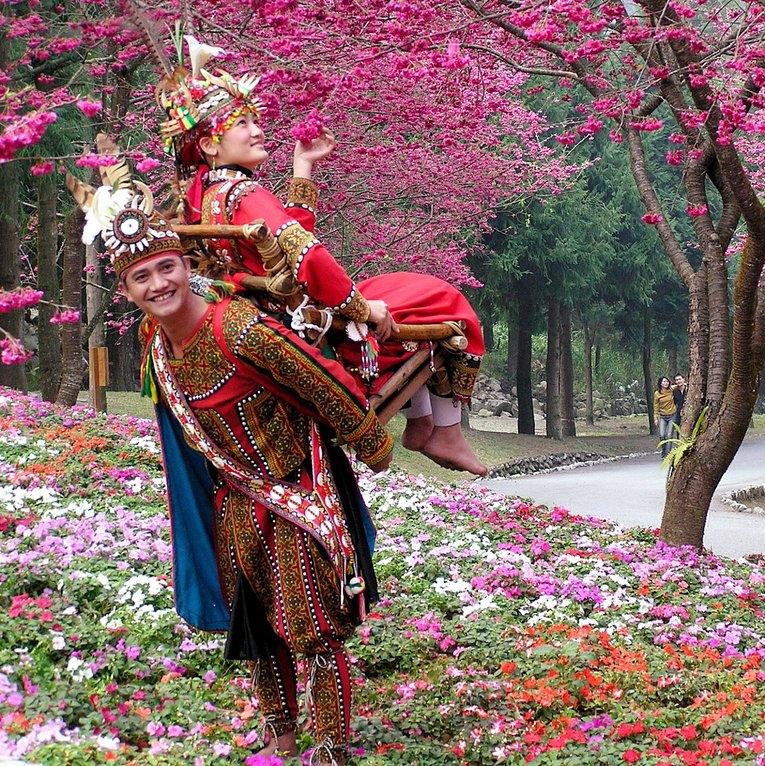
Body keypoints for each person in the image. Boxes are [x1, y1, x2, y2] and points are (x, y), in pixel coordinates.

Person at [71, 165, 388, 763]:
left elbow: (315, 376)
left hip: (300, 491)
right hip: (235, 503)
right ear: (128, 290)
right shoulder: (157, 348)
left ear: (187, 266)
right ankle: (280, 740)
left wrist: (369, 440)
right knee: (260, 633)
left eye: (167, 267)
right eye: (142, 277)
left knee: (313, 629)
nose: (159, 283)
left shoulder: (236, 324)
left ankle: (331, 751)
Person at [156, 36, 486, 475]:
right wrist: (362, 308)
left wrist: (302, 170)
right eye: (241, 123)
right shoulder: (244, 192)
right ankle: (445, 430)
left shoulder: (201, 194)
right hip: (311, 317)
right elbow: (307, 257)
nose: (257, 129)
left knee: (402, 287)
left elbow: (283, 247)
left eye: (255, 119)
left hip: (278, 306)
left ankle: (422, 421)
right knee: (441, 296)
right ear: (211, 145)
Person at [653, 376, 676, 457]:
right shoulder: (657, 393)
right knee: (662, 435)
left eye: (667, 381)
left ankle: (668, 454)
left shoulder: (671, 389)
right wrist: (655, 418)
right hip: (663, 416)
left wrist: (685, 383)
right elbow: (656, 406)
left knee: (669, 435)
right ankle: (664, 450)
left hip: (672, 415)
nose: (665, 383)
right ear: (660, 383)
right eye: (663, 381)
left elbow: (679, 384)